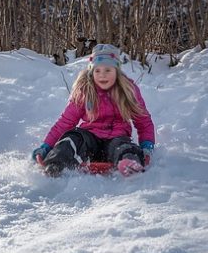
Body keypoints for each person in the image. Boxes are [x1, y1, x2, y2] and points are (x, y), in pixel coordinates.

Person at [32, 44, 155, 177]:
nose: (102, 75)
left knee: (125, 147)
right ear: (91, 71)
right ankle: (55, 163)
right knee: (72, 139)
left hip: (117, 138)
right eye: (97, 71)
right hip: (89, 138)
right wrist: (46, 146)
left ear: (117, 71)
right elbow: (65, 122)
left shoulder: (128, 90)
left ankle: (129, 163)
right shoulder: (85, 91)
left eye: (108, 70)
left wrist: (147, 145)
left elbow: (143, 120)